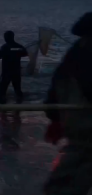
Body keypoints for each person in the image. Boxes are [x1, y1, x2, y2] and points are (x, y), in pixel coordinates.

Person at [43, 12, 92, 195]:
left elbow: (59, 80)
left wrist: (55, 117)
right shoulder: (82, 52)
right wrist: (56, 118)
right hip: (84, 134)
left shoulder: (77, 50)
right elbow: (60, 82)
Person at [0, 31, 28, 104]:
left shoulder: (5, 47)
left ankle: (2, 108)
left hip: (6, 72)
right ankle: (19, 106)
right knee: (18, 90)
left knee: (2, 92)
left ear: (7, 38)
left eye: (5, 37)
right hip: (16, 72)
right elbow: (25, 53)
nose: (5, 38)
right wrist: (17, 53)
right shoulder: (19, 47)